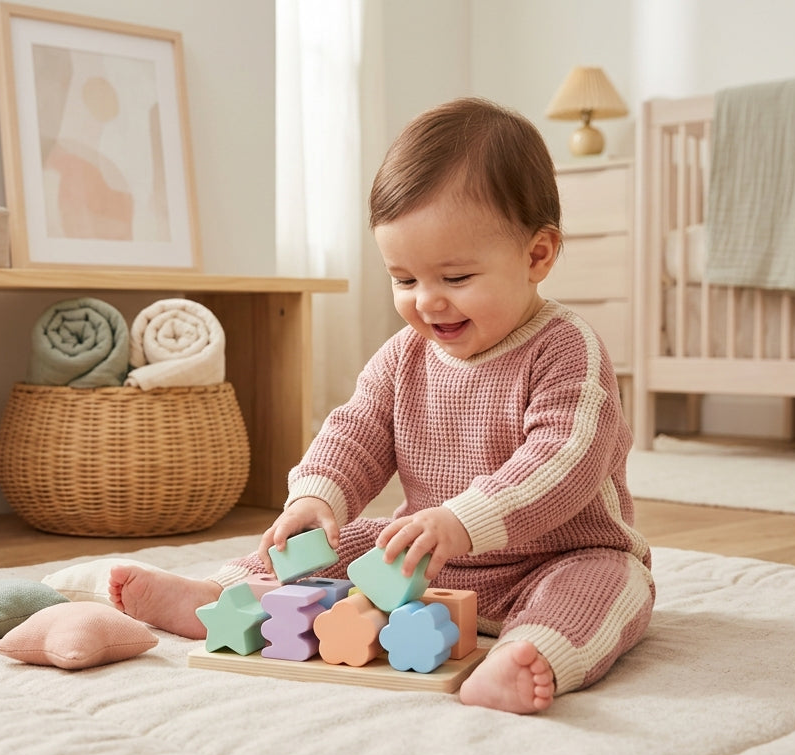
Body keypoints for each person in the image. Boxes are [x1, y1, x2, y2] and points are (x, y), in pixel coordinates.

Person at [109, 97, 653, 715]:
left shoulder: (566, 349)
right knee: (343, 540)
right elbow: (358, 429)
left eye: (455, 279)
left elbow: (564, 459)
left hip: (556, 556)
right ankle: (222, 595)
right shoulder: (404, 355)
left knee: (610, 586)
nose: (428, 303)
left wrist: (462, 519)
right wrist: (316, 498)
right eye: (404, 280)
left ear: (536, 256)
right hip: (427, 560)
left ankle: (528, 654)